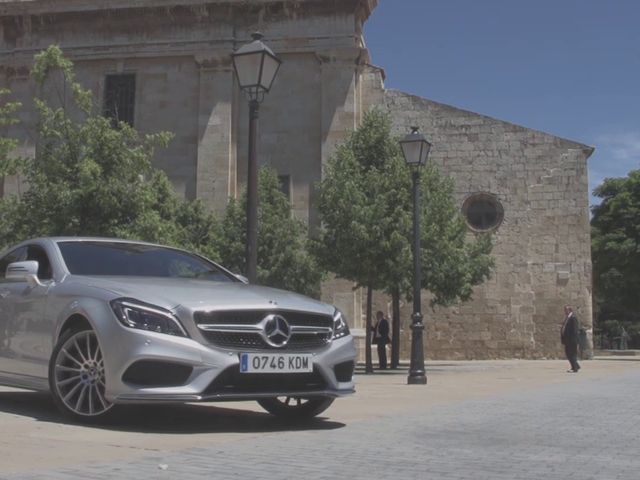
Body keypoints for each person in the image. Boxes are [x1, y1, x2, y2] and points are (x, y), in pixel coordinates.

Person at [561, 305, 581, 373]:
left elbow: (575, 330)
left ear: (569, 310)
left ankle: (574, 368)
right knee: (568, 353)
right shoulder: (568, 318)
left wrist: (574, 340)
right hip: (567, 340)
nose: (565, 311)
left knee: (572, 353)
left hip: (572, 340)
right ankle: (576, 365)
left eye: (566, 310)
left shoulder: (573, 318)